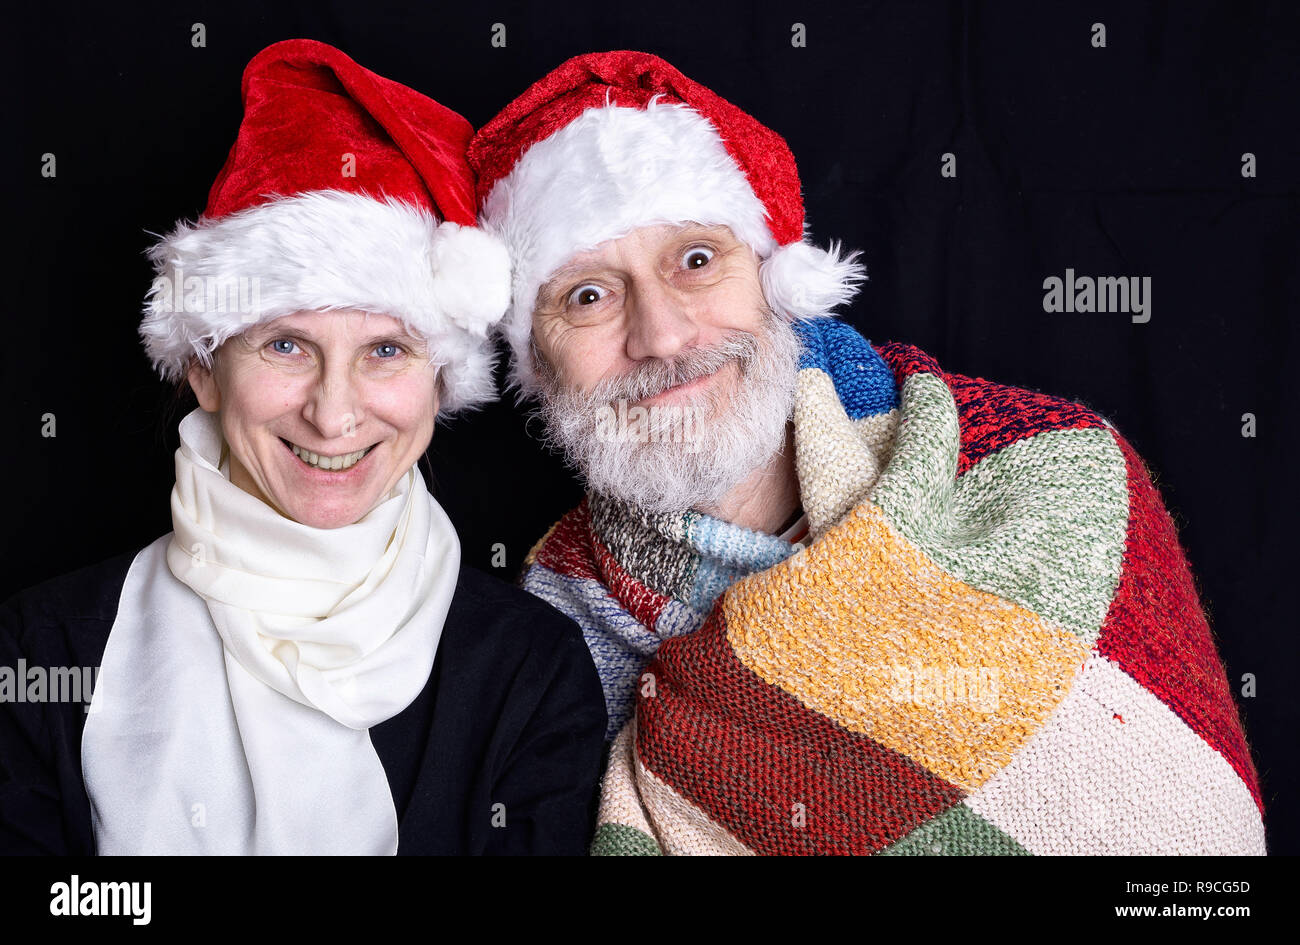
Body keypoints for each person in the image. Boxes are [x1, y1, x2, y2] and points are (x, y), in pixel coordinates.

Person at [467, 50, 1266, 855]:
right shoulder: (542, 639)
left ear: (774, 280)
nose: (663, 335)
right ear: (536, 359)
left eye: (698, 260)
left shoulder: (1045, 471)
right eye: (588, 295)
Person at [0, 39, 605, 855]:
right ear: (205, 373)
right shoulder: (43, 649)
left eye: (386, 350)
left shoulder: (529, 672)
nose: (332, 414)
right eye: (286, 345)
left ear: (440, 384)